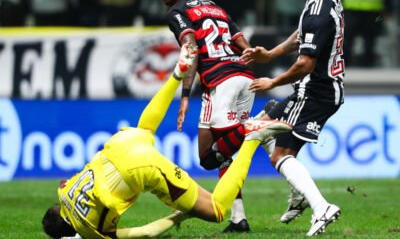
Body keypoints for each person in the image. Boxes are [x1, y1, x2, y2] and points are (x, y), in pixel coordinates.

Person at [41, 43, 291, 239]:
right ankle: (176, 73)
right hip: (119, 144)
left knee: (215, 210)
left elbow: (146, 233)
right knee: (146, 127)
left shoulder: (88, 232)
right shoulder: (64, 191)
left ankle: (251, 136)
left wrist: (180, 217)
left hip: (137, 169)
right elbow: (67, 186)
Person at [241, 0, 344, 236]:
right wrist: (271, 53)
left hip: (315, 91)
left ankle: (321, 207)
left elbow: (305, 63)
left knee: (280, 154)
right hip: (319, 88)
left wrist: (272, 82)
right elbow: (302, 36)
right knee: (259, 125)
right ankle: (299, 191)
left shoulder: (316, 13)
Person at [159, 0, 255, 232]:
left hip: (220, 80)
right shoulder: (214, 6)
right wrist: (246, 67)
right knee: (211, 154)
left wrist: (185, 93)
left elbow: (190, 48)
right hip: (242, 75)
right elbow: (240, 41)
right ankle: (238, 218)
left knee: (218, 150)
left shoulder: (177, 11)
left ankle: (259, 128)